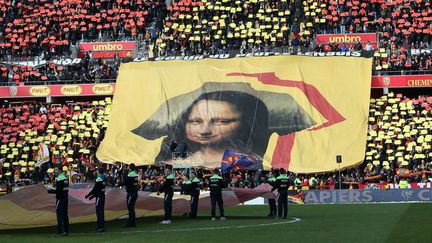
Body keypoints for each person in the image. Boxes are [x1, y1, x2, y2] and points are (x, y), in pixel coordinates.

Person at [132, 82, 316, 169]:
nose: (204, 130)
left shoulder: (253, 160)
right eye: (196, 121)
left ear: (247, 123)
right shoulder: (174, 160)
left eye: (221, 121)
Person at [47, 166, 69, 236]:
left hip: (60, 199)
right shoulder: (65, 178)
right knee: (65, 215)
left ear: (60, 170)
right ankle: (66, 231)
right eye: (54, 169)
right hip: (65, 198)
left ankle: (59, 232)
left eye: (56, 169)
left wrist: (49, 190)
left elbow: (58, 190)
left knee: (59, 215)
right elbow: (64, 189)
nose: (54, 171)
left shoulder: (59, 179)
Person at [85, 167, 106, 233]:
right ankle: (102, 227)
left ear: (98, 171)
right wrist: (92, 196)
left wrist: (88, 195)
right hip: (102, 196)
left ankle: (100, 228)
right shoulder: (104, 178)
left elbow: (95, 190)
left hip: (99, 197)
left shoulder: (98, 179)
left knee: (99, 213)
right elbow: (99, 190)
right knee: (101, 213)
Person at [124, 163, 139, 228]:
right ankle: (133, 223)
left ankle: (130, 223)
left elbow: (126, 182)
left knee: (130, 208)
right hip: (135, 192)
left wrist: (118, 184)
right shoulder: (136, 175)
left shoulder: (130, 175)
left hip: (131, 193)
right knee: (132, 208)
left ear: (130, 168)